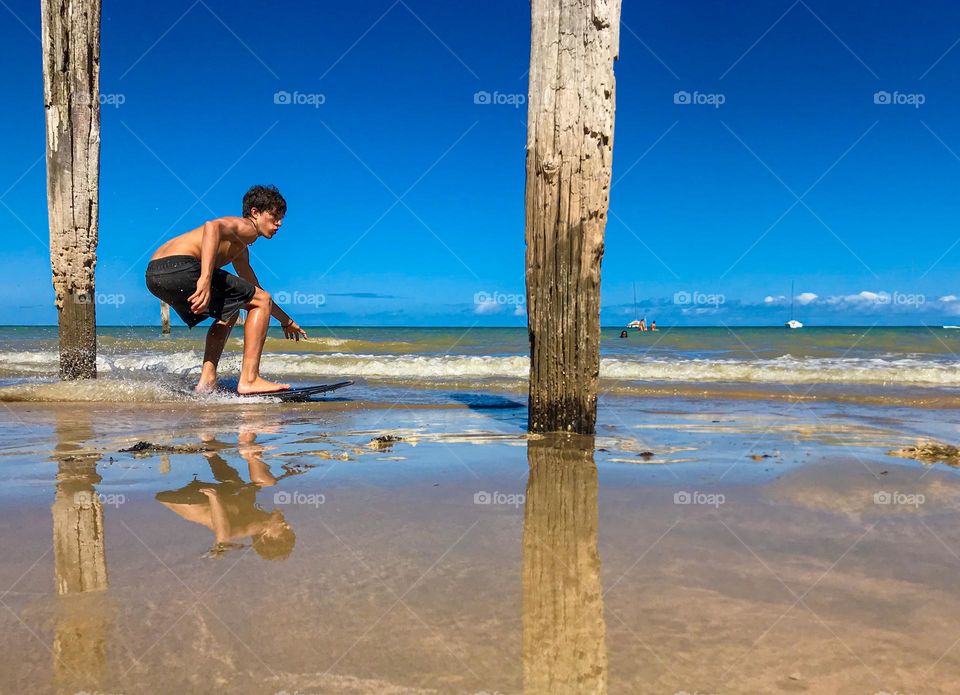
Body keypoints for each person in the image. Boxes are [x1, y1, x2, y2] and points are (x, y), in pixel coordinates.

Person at [145, 185, 307, 394]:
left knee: (231, 310)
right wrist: (205, 279)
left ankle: (207, 381)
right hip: (182, 267)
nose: (279, 224)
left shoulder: (239, 251)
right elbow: (212, 226)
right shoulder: (246, 226)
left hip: (154, 275)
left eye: (281, 218)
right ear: (255, 213)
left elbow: (257, 293)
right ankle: (250, 379)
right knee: (257, 300)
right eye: (274, 216)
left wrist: (286, 320)